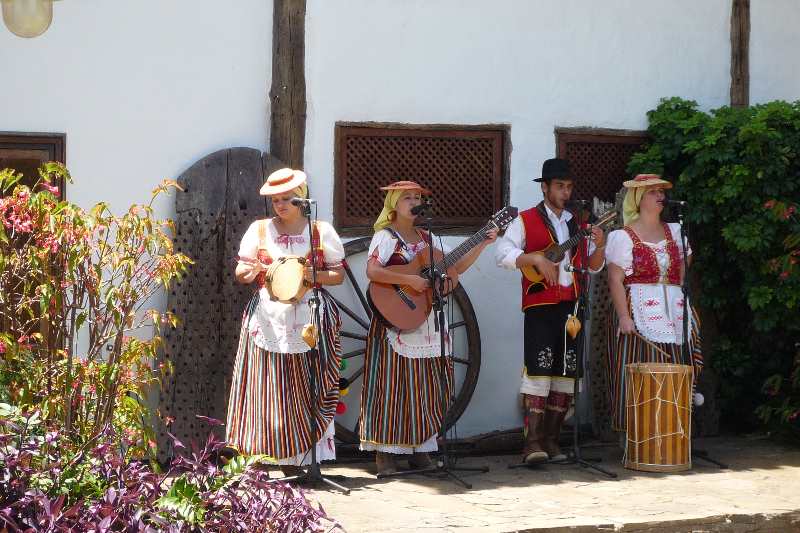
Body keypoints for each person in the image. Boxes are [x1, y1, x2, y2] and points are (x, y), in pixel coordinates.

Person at [359, 181, 498, 476]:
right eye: (407, 198)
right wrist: (409, 280)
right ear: (394, 204)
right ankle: (385, 453)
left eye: (417, 197)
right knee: (393, 386)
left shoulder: (428, 238)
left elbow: (456, 268)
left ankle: (420, 448)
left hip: (426, 319)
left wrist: (482, 243)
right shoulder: (386, 237)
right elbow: (372, 271)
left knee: (426, 386)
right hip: (397, 320)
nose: (414, 202)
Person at [226, 167, 345, 476]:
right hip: (268, 316)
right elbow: (241, 273)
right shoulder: (259, 230)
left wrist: (308, 274)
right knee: (267, 387)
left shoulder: (321, 231)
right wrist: (249, 271)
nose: (280, 205)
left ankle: (299, 457)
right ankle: (261, 457)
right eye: (275, 200)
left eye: (287, 199)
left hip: (309, 315)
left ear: (302, 198)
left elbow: (337, 275)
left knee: (304, 386)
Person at [495, 158, 605, 464]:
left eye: (568, 187)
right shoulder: (526, 220)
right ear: (544, 187)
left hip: (573, 306)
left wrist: (600, 245)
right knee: (539, 370)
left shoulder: (577, 224)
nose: (565, 192)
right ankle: (532, 443)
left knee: (567, 373)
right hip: (541, 305)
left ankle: (553, 440)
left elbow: (593, 267)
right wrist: (535, 259)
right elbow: (502, 253)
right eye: (559, 186)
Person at [605, 174, 703, 433]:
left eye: (661, 191)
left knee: (678, 361)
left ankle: (675, 431)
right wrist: (624, 316)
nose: (660, 196)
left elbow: (683, 269)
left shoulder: (676, 231)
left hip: (673, 307)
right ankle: (638, 434)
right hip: (638, 307)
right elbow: (615, 279)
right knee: (642, 363)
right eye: (653, 192)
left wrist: (678, 294)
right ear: (639, 199)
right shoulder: (622, 236)